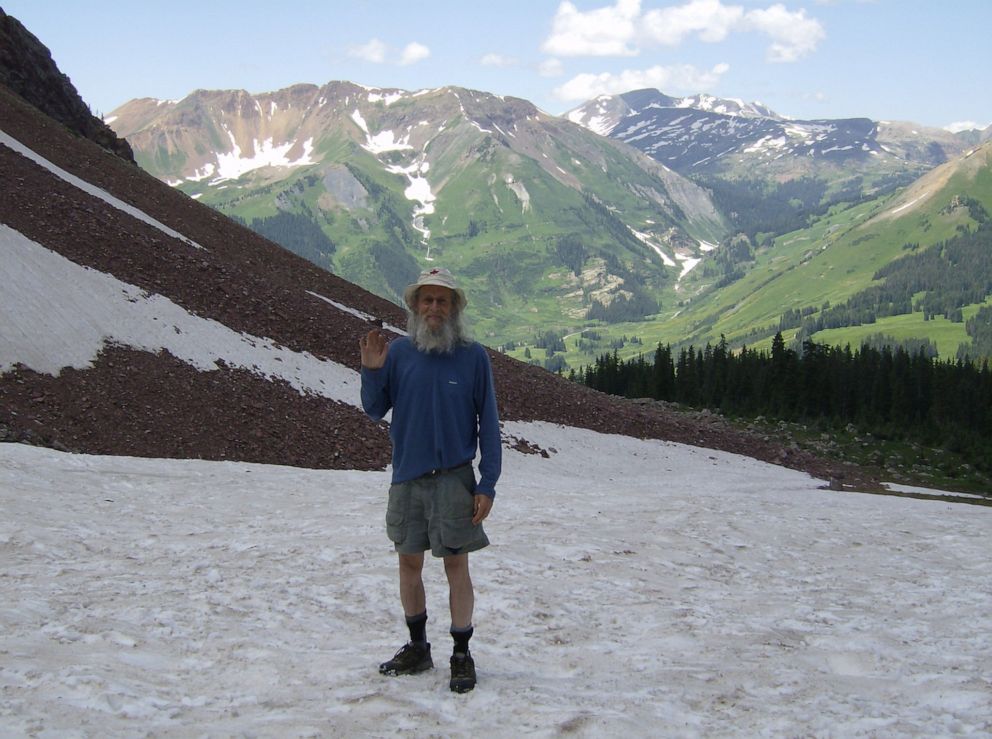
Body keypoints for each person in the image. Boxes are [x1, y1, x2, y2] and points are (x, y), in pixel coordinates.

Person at [359, 267, 501, 693]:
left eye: (442, 301)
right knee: (409, 563)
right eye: (427, 300)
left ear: (454, 307)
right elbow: (373, 409)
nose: (434, 308)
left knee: (456, 565)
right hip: (407, 479)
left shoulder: (474, 356)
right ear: (414, 306)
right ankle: (418, 647)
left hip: (454, 480)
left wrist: (487, 483)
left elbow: (488, 424)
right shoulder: (399, 354)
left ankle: (461, 652)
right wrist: (370, 370)